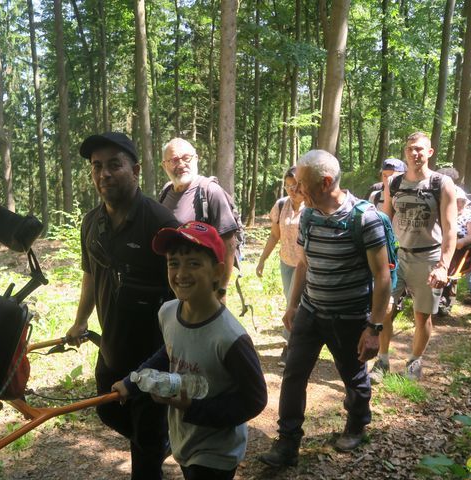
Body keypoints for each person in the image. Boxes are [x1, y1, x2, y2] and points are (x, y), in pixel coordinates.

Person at [258, 150, 391, 468]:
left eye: (302, 183)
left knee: (352, 375)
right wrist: (292, 305)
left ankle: (357, 421)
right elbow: (303, 263)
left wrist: (374, 328)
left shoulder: (364, 218)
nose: (297, 189)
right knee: (293, 373)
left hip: (349, 317)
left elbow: (382, 276)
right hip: (310, 312)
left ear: (326, 182)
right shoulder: (308, 215)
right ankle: (288, 442)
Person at [112, 222, 267, 480]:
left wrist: (193, 408)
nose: (181, 273)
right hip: (185, 437)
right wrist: (133, 381)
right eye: (173, 263)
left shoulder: (230, 338)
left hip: (217, 450)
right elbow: (169, 352)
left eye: (194, 263)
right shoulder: (168, 312)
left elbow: (255, 399)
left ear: (218, 273)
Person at [66, 132, 178, 479]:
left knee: (144, 449)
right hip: (111, 348)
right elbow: (90, 275)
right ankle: (164, 439)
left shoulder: (161, 223)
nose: (104, 174)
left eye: (115, 165)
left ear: (136, 170)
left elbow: (186, 288)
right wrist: (80, 321)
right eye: (97, 167)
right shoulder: (91, 223)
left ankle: (158, 441)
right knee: (110, 412)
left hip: (154, 353)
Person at [369, 132, 457, 383]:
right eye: (410, 149)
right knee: (383, 310)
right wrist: (379, 256)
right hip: (396, 257)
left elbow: (450, 228)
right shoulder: (394, 183)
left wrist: (443, 266)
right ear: (405, 152)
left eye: (419, 149)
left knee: (422, 315)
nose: (414, 153)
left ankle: (413, 361)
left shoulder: (441, 183)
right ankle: (382, 361)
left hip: (428, 257)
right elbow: (385, 221)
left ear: (429, 153)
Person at [160, 138, 240, 301]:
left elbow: (229, 245)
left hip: (203, 289)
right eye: (174, 160)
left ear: (196, 159)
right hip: (173, 286)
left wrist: (220, 289)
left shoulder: (210, 192)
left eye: (186, 158)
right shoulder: (165, 192)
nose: (181, 164)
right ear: (164, 165)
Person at [256, 166, 305, 366]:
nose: (292, 190)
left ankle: (290, 346)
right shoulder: (281, 205)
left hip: (306, 264)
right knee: (291, 302)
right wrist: (262, 259)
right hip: (286, 262)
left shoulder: (312, 206)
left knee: (294, 304)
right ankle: (298, 342)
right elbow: (275, 235)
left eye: (295, 186)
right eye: (288, 186)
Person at [438, 187, 471, 313]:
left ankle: (443, 296)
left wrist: (460, 242)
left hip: (459, 246)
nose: (459, 204)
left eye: (462, 201)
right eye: (456, 201)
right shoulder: (443, 212)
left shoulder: (469, 215)